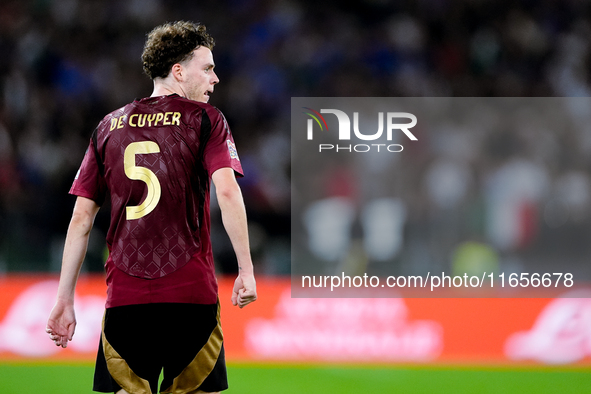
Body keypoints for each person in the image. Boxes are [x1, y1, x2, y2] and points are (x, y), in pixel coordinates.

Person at [46, 21, 257, 394]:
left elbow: (81, 217)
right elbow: (226, 193)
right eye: (207, 68)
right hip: (191, 294)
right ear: (179, 71)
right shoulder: (207, 121)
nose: (216, 78)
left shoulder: (108, 126)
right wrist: (245, 268)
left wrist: (64, 299)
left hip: (127, 297)